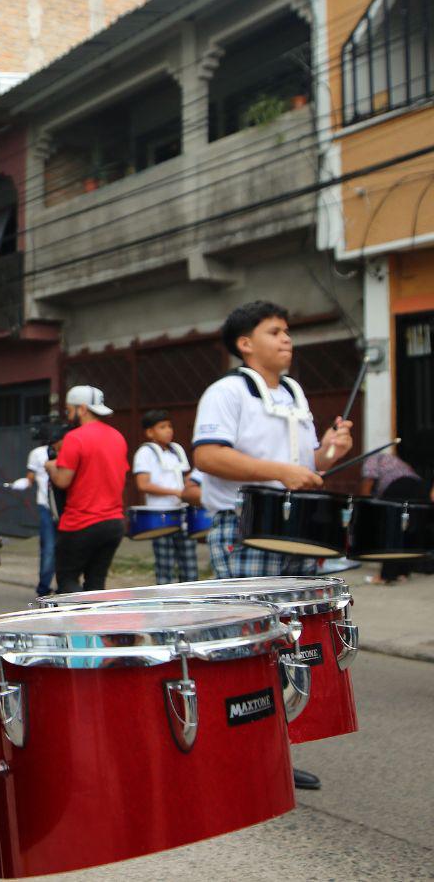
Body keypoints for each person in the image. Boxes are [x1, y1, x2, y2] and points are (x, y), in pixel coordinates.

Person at [193, 300, 353, 791]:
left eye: (288, 332)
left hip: (292, 529)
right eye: (276, 332)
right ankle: (236, 751)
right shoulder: (227, 391)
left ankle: (271, 746)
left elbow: (303, 465)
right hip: (245, 525)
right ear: (246, 343)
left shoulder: (293, 393)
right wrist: (284, 471)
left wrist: (328, 452)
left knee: (289, 640)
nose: (288, 340)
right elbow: (208, 455)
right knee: (251, 640)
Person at [46, 386, 129, 593]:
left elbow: (63, 481)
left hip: (81, 523)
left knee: (67, 581)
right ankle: (97, 624)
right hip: (113, 524)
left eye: (69, 410)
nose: (68, 415)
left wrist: (51, 467)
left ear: (82, 408)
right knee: (96, 584)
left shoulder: (75, 438)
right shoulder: (118, 436)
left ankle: (75, 625)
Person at [133, 409, 202, 585]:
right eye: (162, 427)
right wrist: (176, 492)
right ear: (150, 432)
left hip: (183, 513)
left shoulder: (176, 450)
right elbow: (143, 484)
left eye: (170, 426)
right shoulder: (145, 453)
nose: (168, 430)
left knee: (189, 564)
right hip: (160, 516)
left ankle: (192, 601)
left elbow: (183, 477)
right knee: (165, 565)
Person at [12, 425, 67, 597]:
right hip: (46, 506)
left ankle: (63, 587)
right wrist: (24, 483)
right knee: (49, 548)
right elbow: (31, 477)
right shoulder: (37, 453)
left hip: (65, 508)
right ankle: (43, 588)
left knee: (65, 548)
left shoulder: (68, 451)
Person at [358, 450, 429, 584]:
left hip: (398, 488)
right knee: (409, 531)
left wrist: (364, 508)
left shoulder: (371, 459)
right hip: (419, 488)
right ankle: (403, 573)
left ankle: (386, 576)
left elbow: (367, 486)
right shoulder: (396, 461)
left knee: (392, 531)